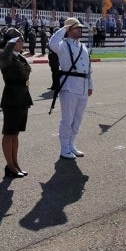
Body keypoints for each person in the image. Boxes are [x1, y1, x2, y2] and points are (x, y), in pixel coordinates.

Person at [49, 17, 93, 159]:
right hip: (69, 85)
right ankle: (64, 148)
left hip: (83, 85)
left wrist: (90, 85)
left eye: (80, 28)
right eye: (76, 28)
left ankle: (72, 144)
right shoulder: (62, 45)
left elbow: (88, 68)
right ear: (69, 30)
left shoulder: (83, 46)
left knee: (78, 118)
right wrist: (65, 27)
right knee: (67, 119)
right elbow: (52, 43)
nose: (80, 30)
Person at [0, 29, 33, 178]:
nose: (22, 42)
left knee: (16, 133)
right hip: (12, 99)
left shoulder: (20, 58)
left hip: (23, 98)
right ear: (11, 42)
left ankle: (15, 163)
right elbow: (5, 57)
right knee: (9, 133)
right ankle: (10, 166)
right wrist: (10, 42)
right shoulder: (6, 58)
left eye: (22, 39)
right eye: (18, 40)